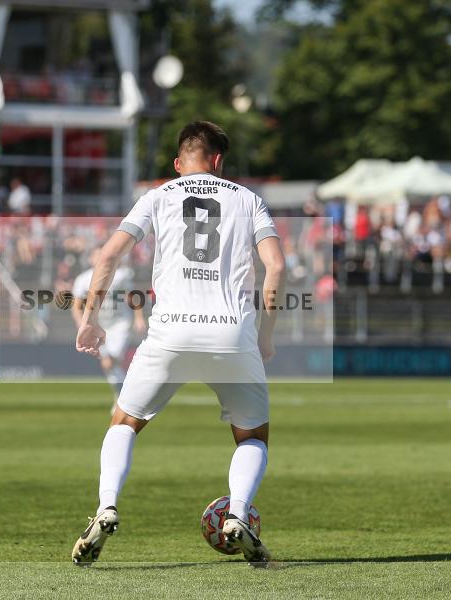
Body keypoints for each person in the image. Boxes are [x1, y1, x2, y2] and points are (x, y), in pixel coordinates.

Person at [71, 121, 284, 565]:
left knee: (124, 423)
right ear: (219, 161)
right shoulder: (248, 200)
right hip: (232, 333)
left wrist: (90, 319)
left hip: (171, 331)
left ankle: (106, 506)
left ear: (177, 163)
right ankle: (238, 514)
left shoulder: (157, 196)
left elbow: (108, 255)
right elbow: (276, 268)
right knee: (252, 436)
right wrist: (265, 335)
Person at [71, 248, 146, 407]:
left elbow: (133, 296)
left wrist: (139, 318)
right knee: (110, 363)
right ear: (90, 258)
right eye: (96, 255)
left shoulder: (120, 275)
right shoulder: (83, 279)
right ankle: (123, 396)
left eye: (101, 254)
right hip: (99, 325)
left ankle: (122, 397)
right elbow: (76, 306)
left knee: (110, 361)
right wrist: (81, 324)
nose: (99, 258)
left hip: (119, 324)